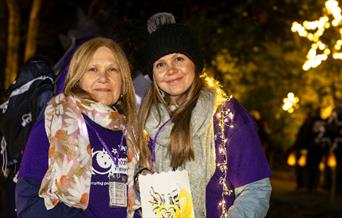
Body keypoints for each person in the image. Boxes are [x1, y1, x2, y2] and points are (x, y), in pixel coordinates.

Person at [136, 13, 272, 218]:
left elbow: (256, 189)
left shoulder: (227, 116)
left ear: (195, 64)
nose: (171, 70)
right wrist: (140, 180)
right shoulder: (142, 122)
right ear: (152, 74)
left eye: (179, 59)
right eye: (160, 64)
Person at [15, 37, 139, 218]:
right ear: (77, 78)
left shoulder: (132, 132)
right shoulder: (54, 123)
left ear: (124, 81)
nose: (103, 78)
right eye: (93, 69)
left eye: (112, 69)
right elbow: (27, 202)